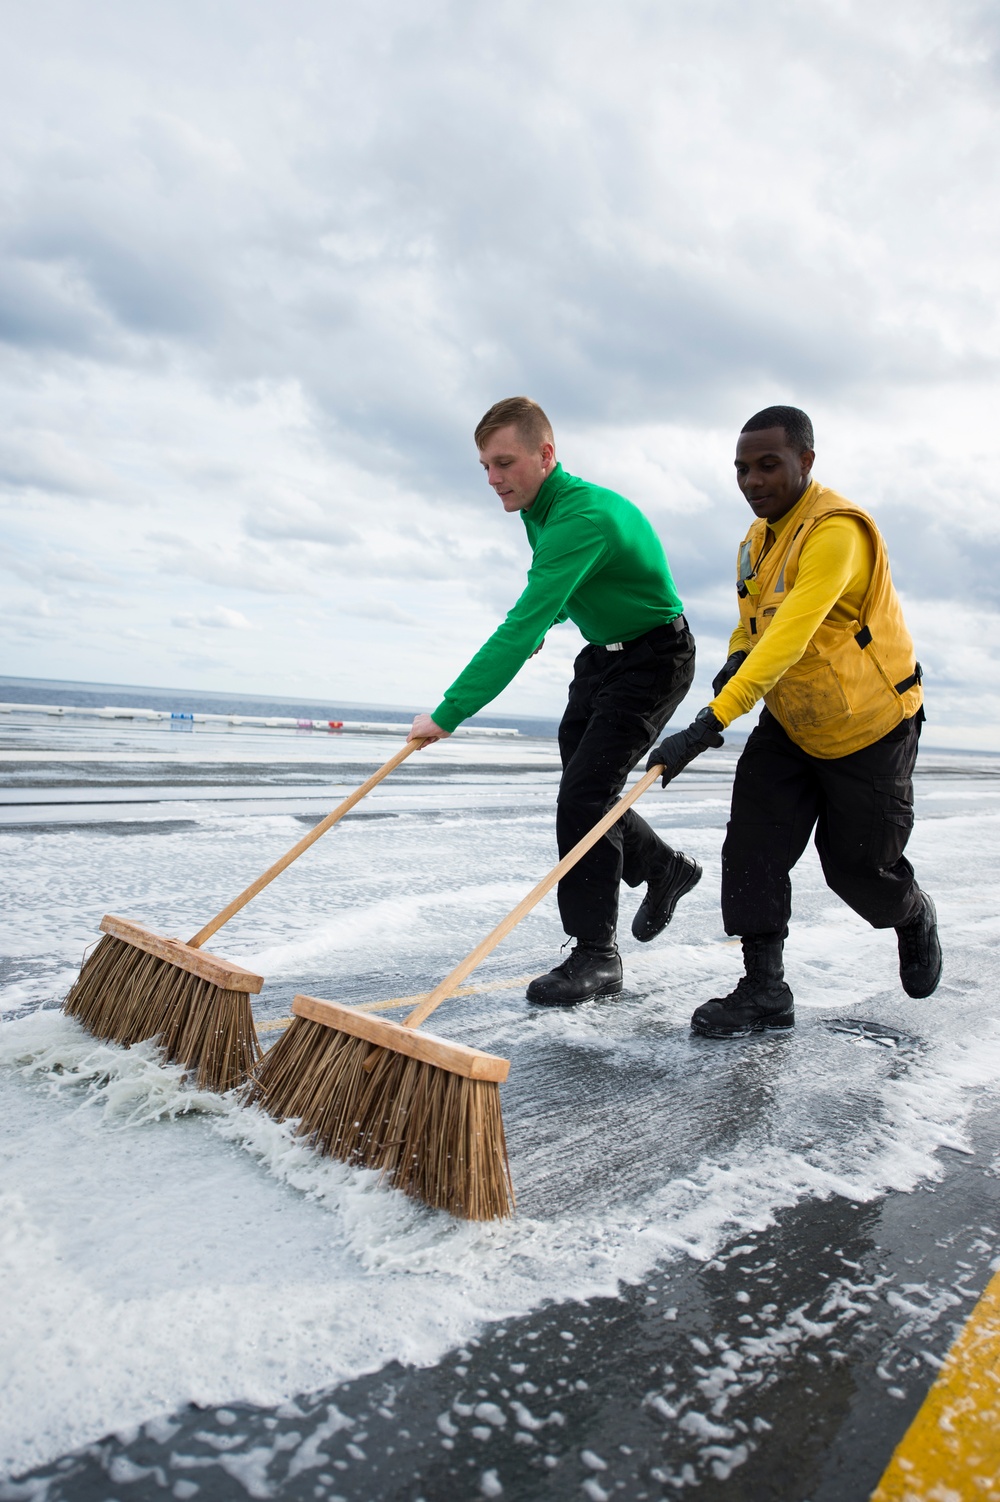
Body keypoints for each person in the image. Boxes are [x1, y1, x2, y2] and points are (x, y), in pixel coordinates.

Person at [646, 404, 940, 1037]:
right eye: (743, 469)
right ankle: (764, 990)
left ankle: (911, 913)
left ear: (806, 460)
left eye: (769, 465)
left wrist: (710, 721)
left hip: (868, 726)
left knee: (857, 869)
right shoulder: (754, 543)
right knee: (752, 848)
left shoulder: (836, 532)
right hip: (791, 723)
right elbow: (753, 625)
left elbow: (788, 636)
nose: (754, 481)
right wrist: (732, 658)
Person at [409, 396, 700, 1005]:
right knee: (588, 791)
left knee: (583, 798)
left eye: (504, 463)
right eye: (485, 466)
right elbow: (572, 583)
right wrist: (554, 616)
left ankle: (597, 958)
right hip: (603, 657)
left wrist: (448, 714)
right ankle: (663, 867)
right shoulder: (536, 507)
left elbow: (520, 623)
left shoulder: (579, 516)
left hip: (653, 660)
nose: (493, 480)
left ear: (545, 455)